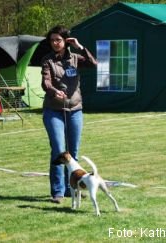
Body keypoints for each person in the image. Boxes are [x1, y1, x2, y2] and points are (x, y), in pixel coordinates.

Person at [41, 25, 97, 203]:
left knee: (73, 152)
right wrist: (53, 92)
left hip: (75, 110)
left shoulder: (75, 58)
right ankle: (57, 191)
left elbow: (93, 64)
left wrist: (80, 47)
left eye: (58, 39)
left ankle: (71, 188)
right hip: (53, 111)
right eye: (52, 40)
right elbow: (45, 82)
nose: (55, 43)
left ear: (66, 41)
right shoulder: (47, 60)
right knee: (58, 150)